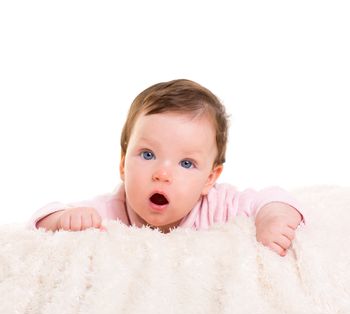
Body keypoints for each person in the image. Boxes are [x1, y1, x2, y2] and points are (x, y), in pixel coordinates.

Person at [29, 79, 304, 257]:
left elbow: (273, 197)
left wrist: (272, 218)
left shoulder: (218, 204)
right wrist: (63, 219)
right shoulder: (110, 211)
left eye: (186, 163)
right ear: (123, 164)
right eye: (147, 154)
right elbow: (37, 223)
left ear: (210, 179)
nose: (162, 173)